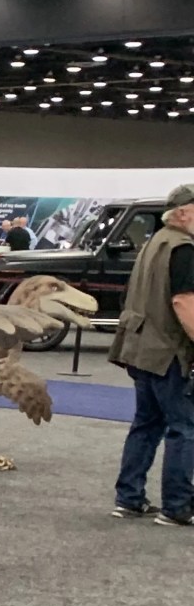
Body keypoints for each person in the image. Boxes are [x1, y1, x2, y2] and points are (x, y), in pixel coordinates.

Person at [109, 184, 194, 525]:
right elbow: (183, 302)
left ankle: (129, 498)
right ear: (184, 212)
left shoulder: (154, 242)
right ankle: (178, 506)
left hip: (140, 348)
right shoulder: (183, 248)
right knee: (184, 428)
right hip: (167, 352)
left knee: (146, 424)